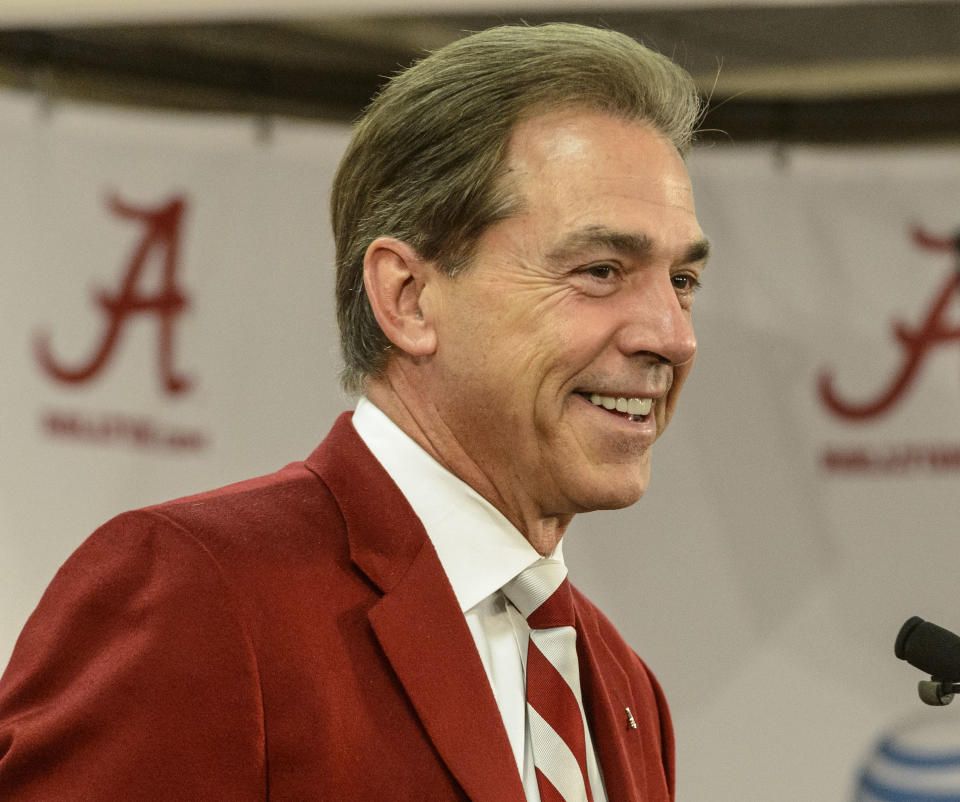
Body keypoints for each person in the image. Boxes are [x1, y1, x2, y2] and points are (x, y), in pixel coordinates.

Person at [0, 22, 708, 801]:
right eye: (601, 270)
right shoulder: (199, 594)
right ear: (408, 298)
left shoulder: (620, 682)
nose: (672, 337)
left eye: (682, 281)